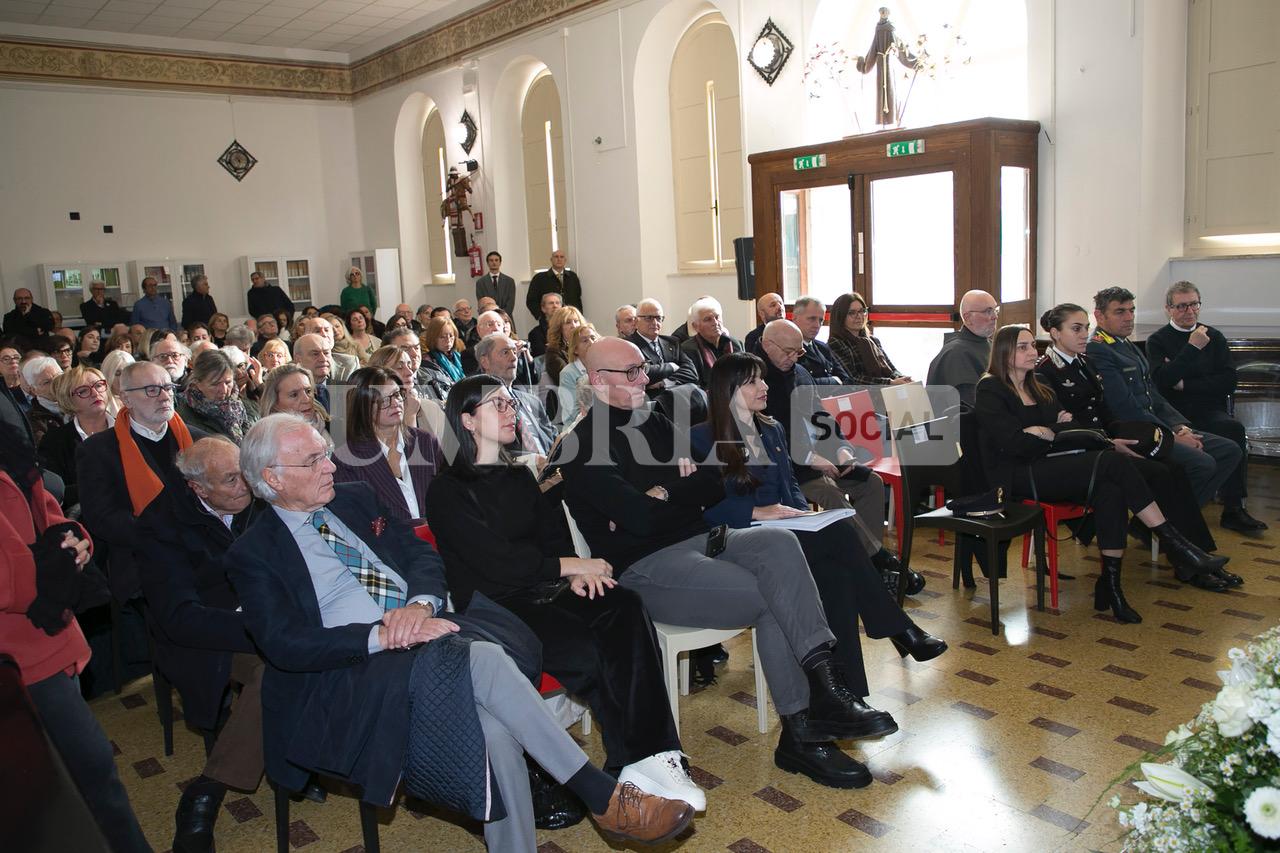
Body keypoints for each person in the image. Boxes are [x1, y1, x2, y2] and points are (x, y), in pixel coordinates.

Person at [227, 414, 697, 850]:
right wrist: (381, 634)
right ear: (272, 477)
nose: (331, 466)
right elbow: (283, 644)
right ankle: (602, 795)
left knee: (493, 732)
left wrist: (417, 604)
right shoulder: (255, 552)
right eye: (313, 461)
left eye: (326, 452)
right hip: (361, 670)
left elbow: (422, 558)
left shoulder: (353, 499)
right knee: (486, 657)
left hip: (432, 633)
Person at [554, 336, 903, 790]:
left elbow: (714, 482)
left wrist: (666, 493)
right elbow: (640, 521)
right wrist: (674, 494)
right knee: (771, 595)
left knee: (780, 545)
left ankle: (825, 690)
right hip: (647, 566)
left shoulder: (654, 421)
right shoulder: (580, 446)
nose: (647, 377)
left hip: (703, 538)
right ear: (598, 380)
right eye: (634, 372)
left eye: (644, 367)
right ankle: (803, 728)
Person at [428, 375, 704, 807]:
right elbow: (495, 563)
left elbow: (552, 532)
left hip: (541, 590)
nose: (510, 411)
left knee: (624, 602)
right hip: (494, 608)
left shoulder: (519, 475)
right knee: (594, 646)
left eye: (510, 403)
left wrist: (573, 575)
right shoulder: (447, 489)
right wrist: (570, 566)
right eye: (496, 405)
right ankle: (636, 763)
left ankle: (657, 755)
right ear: (466, 419)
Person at [691, 352, 946, 679]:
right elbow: (704, 505)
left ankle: (851, 691)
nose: (765, 386)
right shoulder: (700, 437)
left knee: (837, 576)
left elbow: (790, 483)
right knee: (840, 531)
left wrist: (797, 511)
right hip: (741, 534)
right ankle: (899, 628)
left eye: (763, 378)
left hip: (784, 526)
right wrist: (757, 511)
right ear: (728, 389)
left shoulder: (771, 429)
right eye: (753, 381)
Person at [975, 326, 1229, 624]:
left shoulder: (1038, 384)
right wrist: (1052, 430)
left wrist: (1047, 432)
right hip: (1016, 477)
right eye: (1023, 347)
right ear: (1004, 352)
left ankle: (1111, 585)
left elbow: (1067, 428)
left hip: (1050, 464)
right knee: (1113, 463)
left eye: (1033, 345)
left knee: (1112, 490)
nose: (1033, 352)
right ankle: (1174, 542)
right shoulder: (991, 388)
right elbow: (1014, 445)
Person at [0, 419, 150, 853]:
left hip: (45, 636)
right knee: (34, 805)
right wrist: (46, 565)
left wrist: (74, 539)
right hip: (14, 650)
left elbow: (44, 508)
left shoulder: (7, 444)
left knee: (93, 774)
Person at [1035, 303, 1238, 590]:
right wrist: (1110, 442)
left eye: (1086, 328)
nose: (1084, 335)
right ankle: (1190, 562)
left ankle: (1195, 554)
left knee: (1174, 469)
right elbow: (1064, 428)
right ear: (1055, 333)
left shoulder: (1084, 363)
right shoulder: (1045, 372)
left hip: (1108, 442)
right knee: (1163, 474)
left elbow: (1106, 413)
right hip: (1084, 454)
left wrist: (1129, 437)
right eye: (1076, 329)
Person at [135, 438, 266, 853]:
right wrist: (258, 625)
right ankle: (207, 789)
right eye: (231, 479)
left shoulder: (255, 500)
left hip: (269, 618)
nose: (245, 484)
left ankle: (305, 754)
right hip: (212, 637)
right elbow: (180, 618)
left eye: (245, 471)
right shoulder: (160, 527)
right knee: (276, 668)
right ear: (198, 489)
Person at [758, 320, 924, 595]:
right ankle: (876, 560)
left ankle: (864, 562)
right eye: (788, 351)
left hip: (816, 459)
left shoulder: (799, 372)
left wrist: (841, 450)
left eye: (798, 352)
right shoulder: (757, 379)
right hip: (787, 469)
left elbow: (822, 417)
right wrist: (811, 458)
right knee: (830, 492)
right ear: (767, 345)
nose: (793, 357)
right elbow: (763, 435)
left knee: (869, 481)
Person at [1087, 287, 1251, 523]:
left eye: (1132, 310)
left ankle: (1164, 522)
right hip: (1134, 431)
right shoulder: (1099, 349)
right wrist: (1170, 435)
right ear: (1099, 316)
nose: (1129, 317)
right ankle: (1164, 525)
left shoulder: (1126, 345)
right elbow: (1127, 407)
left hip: (1158, 424)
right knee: (1203, 464)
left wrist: (1179, 426)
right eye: (1120, 312)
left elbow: (1152, 394)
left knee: (1229, 450)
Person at [1146, 281, 1266, 534]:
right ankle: (1183, 507)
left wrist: (1184, 382)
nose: (1189, 311)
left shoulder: (1214, 336)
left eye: (1194, 304)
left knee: (1233, 429)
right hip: (1173, 412)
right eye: (1181, 306)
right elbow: (1162, 382)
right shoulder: (1157, 340)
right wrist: (1192, 349)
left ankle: (1233, 509)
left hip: (1208, 409)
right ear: (1168, 309)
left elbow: (1228, 382)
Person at [77, 361, 200, 603]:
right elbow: (101, 517)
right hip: (139, 572)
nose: (165, 396)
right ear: (126, 398)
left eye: (168, 387)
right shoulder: (98, 450)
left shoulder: (199, 441)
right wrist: (165, 533)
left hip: (201, 565)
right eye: (152, 390)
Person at [332, 366, 445, 521]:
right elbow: (356, 520)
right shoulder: (346, 459)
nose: (395, 403)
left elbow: (448, 497)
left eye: (396, 394)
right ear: (361, 406)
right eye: (383, 400)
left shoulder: (425, 441)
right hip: (389, 543)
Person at [38, 366, 115, 509]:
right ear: (68, 399)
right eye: (83, 391)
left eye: (99, 385)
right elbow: (56, 493)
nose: (95, 393)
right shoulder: (55, 441)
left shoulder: (129, 429)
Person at [475, 334, 557, 457]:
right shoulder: (480, 404)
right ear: (485, 362)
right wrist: (532, 462)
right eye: (505, 352)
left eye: (514, 352)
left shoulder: (531, 400)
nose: (514, 358)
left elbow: (553, 437)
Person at [926, 289, 999, 408]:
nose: (995, 316)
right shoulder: (956, 353)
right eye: (988, 311)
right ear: (968, 317)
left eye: (995, 310)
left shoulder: (988, 344)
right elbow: (971, 404)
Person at [176, 350, 259, 443]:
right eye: (215, 384)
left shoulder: (250, 408)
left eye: (228, 382)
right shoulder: (182, 419)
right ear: (198, 384)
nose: (223, 390)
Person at [827, 293, 911, 385]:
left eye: (862, 311)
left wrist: (902, 378)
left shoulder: (873, 341)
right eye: (852, 313)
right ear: (840, 316)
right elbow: (853, 379)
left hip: (886, 392)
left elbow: (891, 369)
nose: (859, 316)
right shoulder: (835, 343)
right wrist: (890, 382)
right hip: (861, 396)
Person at [627, 298, 700, 404]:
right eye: (649, 318)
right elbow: (639, 374)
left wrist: (664, 382)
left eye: (659, 318)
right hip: (649, 403)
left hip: (678, 399)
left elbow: (691, 373)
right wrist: (671, 366)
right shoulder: (629, 345)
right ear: (636, 321)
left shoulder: (672, 342)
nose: (655, 323)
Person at [679, 297, 743, 388]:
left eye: (717, 317)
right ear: (696, 326)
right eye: (708, 319)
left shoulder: (735, 344)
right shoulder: (687, 349)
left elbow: (745, 375)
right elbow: (693, 385)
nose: (715, 323)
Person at [790, 297, 847, 384]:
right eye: (812, 319)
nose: (817, 325)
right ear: (794, 318)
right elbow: (799, 384)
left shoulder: (823, 347)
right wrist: (833, 381)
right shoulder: (788, 349)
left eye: (821, 320)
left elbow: (846, 380)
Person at [260, 363, 328, 432]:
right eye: (294, 395)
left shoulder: (330, 426)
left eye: (308, 391)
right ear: (274, 403)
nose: (306, 399)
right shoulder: (268, 439)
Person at [556, 325, 601, 428]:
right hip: (576, 427)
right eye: (585, 340)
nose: (591, 342)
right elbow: (574, 412)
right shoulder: (568, 373)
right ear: (575, 349)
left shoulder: (604, 366)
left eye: (593, 338)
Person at [526, 249, 583, 321]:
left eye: (561, 257)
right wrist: (540, 316)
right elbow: (531, 300)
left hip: (570, 318)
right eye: (556, 257)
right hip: (549, 319)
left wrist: (579, 315)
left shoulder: (572, 276)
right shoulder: (539, 278)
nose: (559, 259)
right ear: (551, 260)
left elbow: (577, 298)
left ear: (565, 260)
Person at [21, 355, 65, 447]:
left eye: (58, 377)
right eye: (47, 382)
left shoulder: (80, 401)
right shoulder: (33, 421)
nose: (55, 384)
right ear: (34, 390)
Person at [300, 316, 358, 382]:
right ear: (305, 336)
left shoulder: (350, 363)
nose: (324, 334)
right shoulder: (293, 369)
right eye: (317, 331)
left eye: (327, 330)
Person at [422, 315, 466, 401]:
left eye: (451, 335)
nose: (448, 340)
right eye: (442, 336)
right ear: (433, 338)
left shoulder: (460, 357)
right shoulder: (427, 361)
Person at [543, 305, 586, 386]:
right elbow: (567, 379)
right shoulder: (553, 351)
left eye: (576, 321)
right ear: (559, 328)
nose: (574, 326)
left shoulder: (588, 346)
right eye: (568, 322)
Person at [292, 334, 334, 413]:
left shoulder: (347, 391)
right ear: (298, 359)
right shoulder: (289, 393)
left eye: (326, 353)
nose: (323, 359)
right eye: (315, 354)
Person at [476, 251, 516, 315]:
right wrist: (493, 316)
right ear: (487, 263)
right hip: (488, 317)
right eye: (491, 260)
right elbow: (482, 304)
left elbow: (510, 304)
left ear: (500, 263)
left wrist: (501, 315)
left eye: (496, 260)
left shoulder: (510, 281)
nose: (494, 262)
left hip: (506, 317)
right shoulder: (480, 283)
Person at [101, 349, 135, 417]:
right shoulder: (102, 405)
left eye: (126, 373)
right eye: (117, 374)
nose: (122, 378)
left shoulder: (142, 398)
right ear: (108, 375)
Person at [527, 292, 561, 358]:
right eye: (551, 303)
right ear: (543, 308)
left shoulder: (570, 328)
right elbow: (541, 358)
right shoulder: (535, 333)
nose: (555, 306)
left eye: (557, 303)